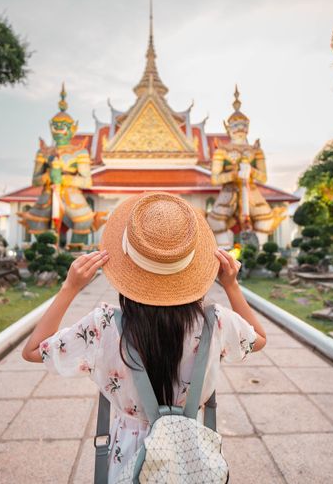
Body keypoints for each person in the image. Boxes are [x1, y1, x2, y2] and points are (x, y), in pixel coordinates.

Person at [22, 192, 267, 482]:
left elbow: (34, 350)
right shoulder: (216, 323)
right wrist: (232, 286)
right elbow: (259, 338)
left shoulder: (103, 326)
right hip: (192, 460)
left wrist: (69, 288)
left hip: (128, 458)